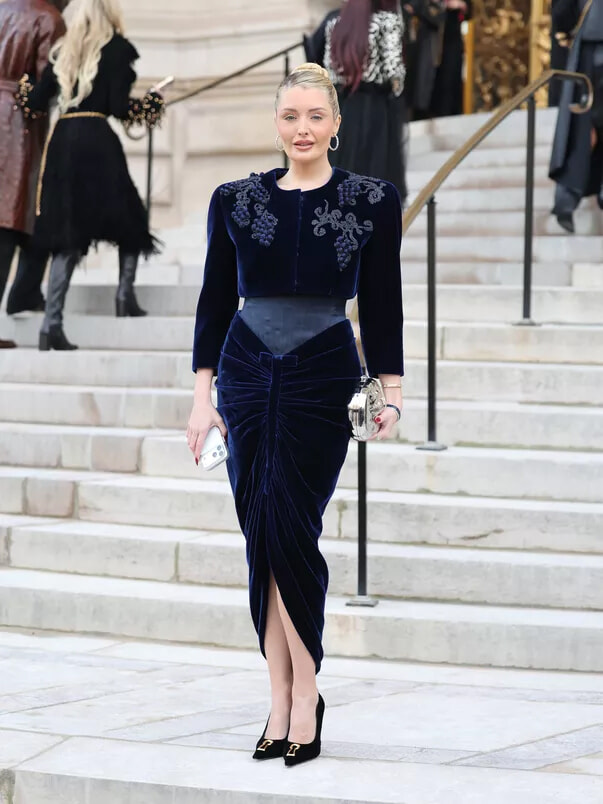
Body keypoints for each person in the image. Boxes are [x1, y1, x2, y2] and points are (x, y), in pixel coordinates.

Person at [187, 63, 404, 766]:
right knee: (261, 535)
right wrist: (201, 398)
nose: (302, 129)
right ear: (276, 125)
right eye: (290, 117)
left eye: (315, 116)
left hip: (323, 372)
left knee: (292, 530)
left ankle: (305, 689)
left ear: (336, 124)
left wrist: (392, 389)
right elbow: (214, 299)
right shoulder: (234, 199)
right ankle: (278, 696)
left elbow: (383, 299)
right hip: (246, 373)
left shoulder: (371, 199)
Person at [15, 0, 164, 351]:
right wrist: (151, 104)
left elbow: (34, 103)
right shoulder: (117, 49)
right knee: (130, 217)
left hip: (63, 141)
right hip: (97, 140)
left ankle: (51, 325)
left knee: (65, 232)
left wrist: (23, 83)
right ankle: (124, 297)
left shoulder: (63, 50)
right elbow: (119, 108)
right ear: (111, 14)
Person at [0, 0, 68, 349]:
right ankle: (24, 291)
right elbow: (49, 82)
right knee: (10, 220)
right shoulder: (48, 18)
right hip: (17, 126)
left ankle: (26, 291)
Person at [314, 0, 407, 203]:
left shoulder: (334, 23)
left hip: (341, 108)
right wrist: (395, 90)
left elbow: (326, 67)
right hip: (375, 109)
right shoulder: (386, 21)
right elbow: (394, 71)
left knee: (339, 178)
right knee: (375, 179)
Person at [549, 0, 603, 233]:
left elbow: (562, 13)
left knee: (580, 124)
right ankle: (566, 199)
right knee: (582, 124)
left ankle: (566, 200)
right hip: (589, 45)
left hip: (588, 46)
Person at [412, 0, 472, 119]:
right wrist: (443, 5)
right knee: (426, 85)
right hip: (430, 39)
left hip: (452, 39)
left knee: (450, 83)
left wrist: (461, 5)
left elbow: (468, 11)